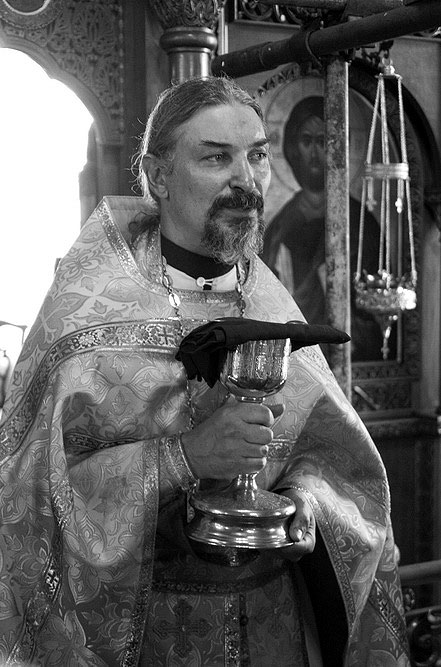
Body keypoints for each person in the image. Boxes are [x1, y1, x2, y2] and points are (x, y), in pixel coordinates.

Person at [0, 77, 409, 666]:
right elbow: (31, 493)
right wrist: (184, 457)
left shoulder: (270, 302)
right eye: (216, 158)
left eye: (257, 157)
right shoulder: (85, 317)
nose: (246, 180)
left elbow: (336, 462)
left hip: (273, 628)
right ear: (158, 176)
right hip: (148, 638)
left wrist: (304, 505)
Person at [262, 96, 390, 361]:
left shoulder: (360, 222)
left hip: (351, 354)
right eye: (306, 141)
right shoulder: (280, 226)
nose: (314, 152)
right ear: (293, 148)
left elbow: (376, 305)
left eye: (323, 142)